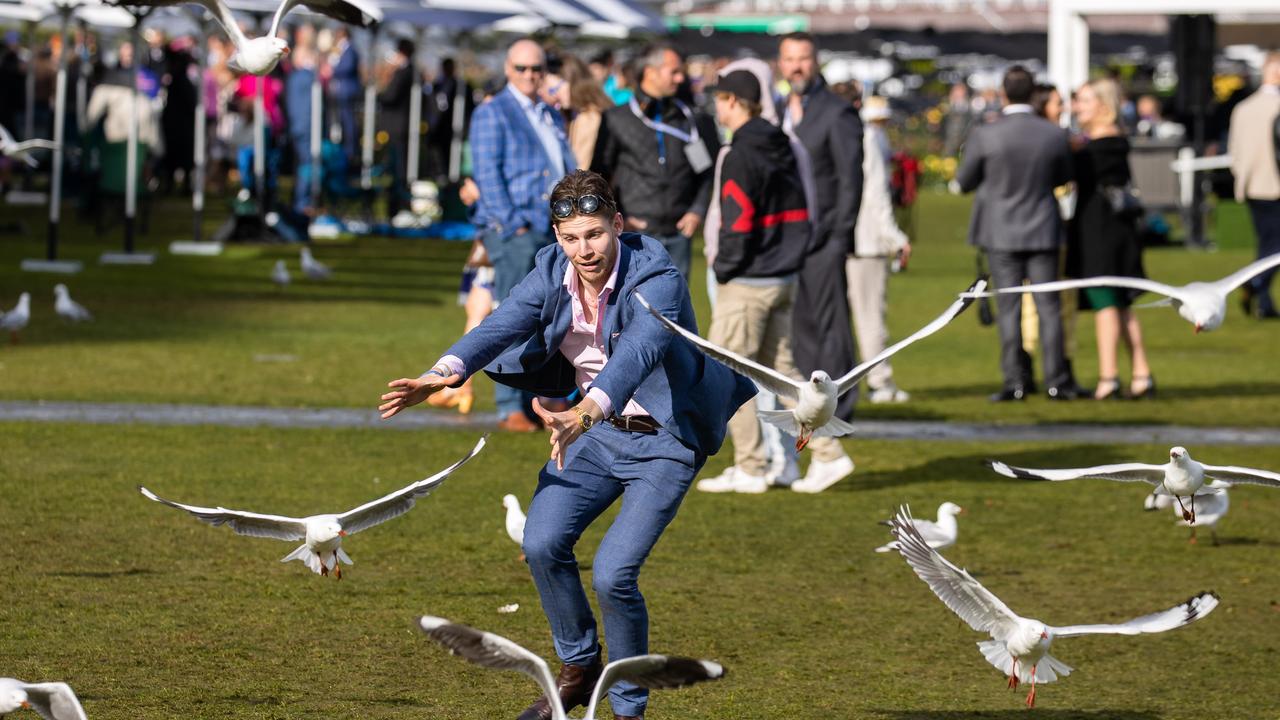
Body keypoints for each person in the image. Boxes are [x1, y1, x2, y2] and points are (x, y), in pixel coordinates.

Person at [379, 170, 755, 720]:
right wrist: (442, 373)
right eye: (572, 237)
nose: (585, 250)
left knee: (612, 575)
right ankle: (578, 668)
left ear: (618, 226)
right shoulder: (551, 268)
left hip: (664, 442)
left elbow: (639, 355)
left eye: (596, 235)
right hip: (593, 436)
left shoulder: (659, 277)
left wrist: (585, 410)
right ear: (558, 237)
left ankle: (627, 706)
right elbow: (502, 321)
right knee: (541, 540)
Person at [694, 70, 854, 495]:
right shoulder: (782, 143)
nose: (716, 107)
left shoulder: (739, 152)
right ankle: (828, 456)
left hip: (748, 278)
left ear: (731, 101)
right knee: (783, 374)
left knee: (725, 373)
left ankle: (749, 465)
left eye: (719, 98)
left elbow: (737, 220)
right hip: (783, 275)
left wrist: (724, 268)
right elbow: (803, 210)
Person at [470, 38, 576, 432]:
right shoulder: (493, 112)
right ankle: (508, 405)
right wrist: (510, 221)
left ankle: (534, 401)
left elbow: (564, 165)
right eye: (522, 69)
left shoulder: (546, 113)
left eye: (537, 68)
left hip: (550, 227)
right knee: (515, 316)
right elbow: (487, 172)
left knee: (550, 318)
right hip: (517, 229)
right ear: (508, 70)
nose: (531, 75)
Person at [956, 65, 1079, 402]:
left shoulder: (986, 133)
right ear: (1032, 93)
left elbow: (965, 181)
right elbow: (1063, 177)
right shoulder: (1052, 133)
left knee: (1008, 308)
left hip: (1000, 231)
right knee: (1048, 308)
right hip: (1042, 227)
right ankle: (1057, 381)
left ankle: (1016, 381)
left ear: (1003, 93)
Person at [777, 31, 863, 422]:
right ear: (781, 64)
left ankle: (840, 406)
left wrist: (840, 234)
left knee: (831, 328)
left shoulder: (836, 111)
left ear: (817, 62)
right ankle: (813, 402)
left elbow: (850, 179)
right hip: (785, 239)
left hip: (825, 235)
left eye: (804, 58)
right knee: (800, 326)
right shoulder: (777, 110)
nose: (797, 66)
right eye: (790, 58)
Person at [591, 44, 718, 281]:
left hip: (679, 233)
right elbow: (598, 176)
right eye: (674, 72)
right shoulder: (616, 119)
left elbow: (704, 171)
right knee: (633, 307)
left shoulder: (688, 120)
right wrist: (617, 215)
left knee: (674, 310)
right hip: (635, 233)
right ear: (650, 72)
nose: (680, 78)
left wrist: (696, 211)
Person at [1068, 79, 1155, 400]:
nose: (1077, 107)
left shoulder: (1096, 149)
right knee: (1120, 305)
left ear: (1104, 107)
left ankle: (1109, 377)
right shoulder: (1113, 143)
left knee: (1105, 302)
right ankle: (1141, 373)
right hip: (1116, 231)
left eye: (1085, 101)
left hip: (1100, 233)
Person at [849, 96, 911, 404]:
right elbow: (877, 194)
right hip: (867, 240)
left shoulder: (852, 134)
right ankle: (880, 381)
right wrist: (895, 238)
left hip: (845, 239)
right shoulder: (870, 138)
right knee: (871, 315)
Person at [1229, 52, 1280, 320]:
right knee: (1274, 248)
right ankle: (1254, 283)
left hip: (1252, 186)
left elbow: (1233, 150)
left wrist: (1242, 176)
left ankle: (1263, 301)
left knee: (1267, 245)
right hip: (1273, 186)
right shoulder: (1275, 106)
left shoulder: (1243, 107)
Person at [549, 54, 613, 171]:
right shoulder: (580, 112)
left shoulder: (589, 116)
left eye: (556, 88)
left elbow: (580, 168)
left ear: (571, 82)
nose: (554, 94)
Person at [378, 38, 416, 218]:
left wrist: (386, 78)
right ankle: (396, 207)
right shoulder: (408, 72)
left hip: (398, 128)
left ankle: (398, 208)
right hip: (399, 127)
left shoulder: (404, 73)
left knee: (398, 169)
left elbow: (389, 96)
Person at [329, 27, 361, 166]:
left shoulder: (350, 51)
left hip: (347, 92)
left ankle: (350, 153)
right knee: (342, 121)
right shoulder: (344, 50)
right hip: (342, 92)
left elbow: (346, 68)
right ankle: (345, 151)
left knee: (349, 123)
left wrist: (333, 70)